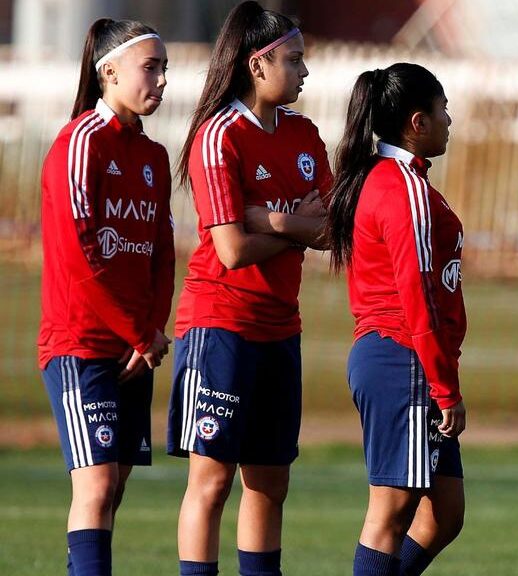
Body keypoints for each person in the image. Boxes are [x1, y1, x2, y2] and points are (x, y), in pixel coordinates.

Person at [167, 2, 332, 575]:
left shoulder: (306, 135)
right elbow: (231, 252)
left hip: (280, 328)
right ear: (257, 65)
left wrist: (269, 219)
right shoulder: (218, 136)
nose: (305, 72)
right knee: (211, 483)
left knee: (269, 483)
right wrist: (295, 225)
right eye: (294, 59)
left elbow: (331, 230)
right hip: (220, 326)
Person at [38, 18, 172, 576]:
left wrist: (151, 332)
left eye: (164, 68)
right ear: (108, 72)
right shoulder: (79, 142)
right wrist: (138, 333)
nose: (161, 80)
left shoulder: (154, 156)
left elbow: (162, 252)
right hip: (82, 344)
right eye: (150, 67)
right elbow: (79, 255)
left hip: (133, 350)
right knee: (94, 487)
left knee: (112, 487)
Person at [326, 63, 466, 576]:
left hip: (411, 358)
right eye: (442, 108)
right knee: (391, 513)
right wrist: (444, 386)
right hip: (401, 357)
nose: (449, 119)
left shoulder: (404, 181)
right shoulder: (399, 185)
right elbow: (417, 296)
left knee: (444, 514)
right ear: (417, 122)